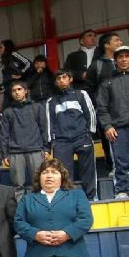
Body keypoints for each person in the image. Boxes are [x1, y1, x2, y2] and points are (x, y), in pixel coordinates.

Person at [96, 45, 129, 199]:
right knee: (121, 162)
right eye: (120, 57)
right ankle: (122, 191)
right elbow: (102, 107)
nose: (124, 59)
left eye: (127, 56)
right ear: (115, 60)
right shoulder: (107, 83)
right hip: (118, 127)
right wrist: (107, 126)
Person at [46, 69, 98, 200]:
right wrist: (52, 142)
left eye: (64, 77)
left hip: (82, 137)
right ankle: (68, 200)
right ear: (56, 83)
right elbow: (49, 123)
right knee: (64, 174)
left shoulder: (81, 94)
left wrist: (90, 133)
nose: (61, 80)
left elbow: (90, 113)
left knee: (88, 170)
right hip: (61, 141)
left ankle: (91, 197)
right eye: (58, 79)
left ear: (70, 79)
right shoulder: (51, 101)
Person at [0, 81, 49, 200]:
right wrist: (5, 154)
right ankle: (21, 212)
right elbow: (4, 135)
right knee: (17, 186)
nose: (16, 92)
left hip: (36, 150)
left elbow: (44, 128)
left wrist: (46, 148)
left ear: (26, 91)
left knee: (38, 183)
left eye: (19, 89)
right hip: (15, 153)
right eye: (14, 90)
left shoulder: (37, 107)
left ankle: (39, 209)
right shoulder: (8, 112)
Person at [0, 39, 32, 107]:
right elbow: (7, 75)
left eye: (1, 47)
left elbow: (28, 63)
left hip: (16, 87)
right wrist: (2, 86)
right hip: (7, 89)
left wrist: (21, 74)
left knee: (19, 107)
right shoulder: (3, 61)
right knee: (6, 109)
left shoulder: (14, 54)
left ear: (7, 47)